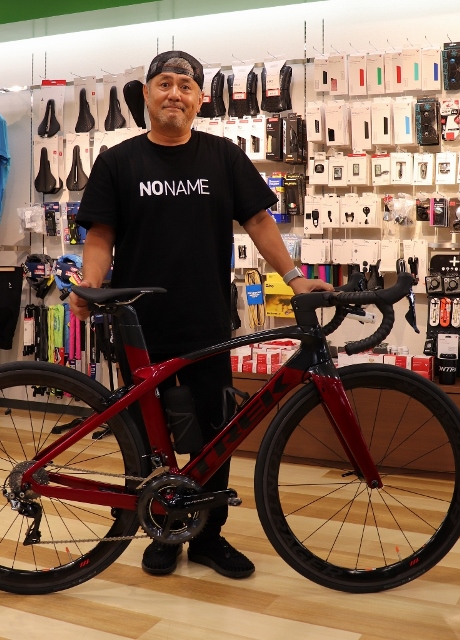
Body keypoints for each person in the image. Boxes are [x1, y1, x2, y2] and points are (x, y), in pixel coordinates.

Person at [70, 50, 332, 580]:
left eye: (186, 86)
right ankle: (163, 530)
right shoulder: (118, 162)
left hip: (207, 319)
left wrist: (294, 277)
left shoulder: (223, 157)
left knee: (217, 433)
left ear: (199, 100)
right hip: (137, 325)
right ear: (146, 94)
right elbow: (100, 234)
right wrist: (90, 284)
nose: (175, 93)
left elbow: (259, 221)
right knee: (148, 440)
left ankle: (208, 537)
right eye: (164, 84)